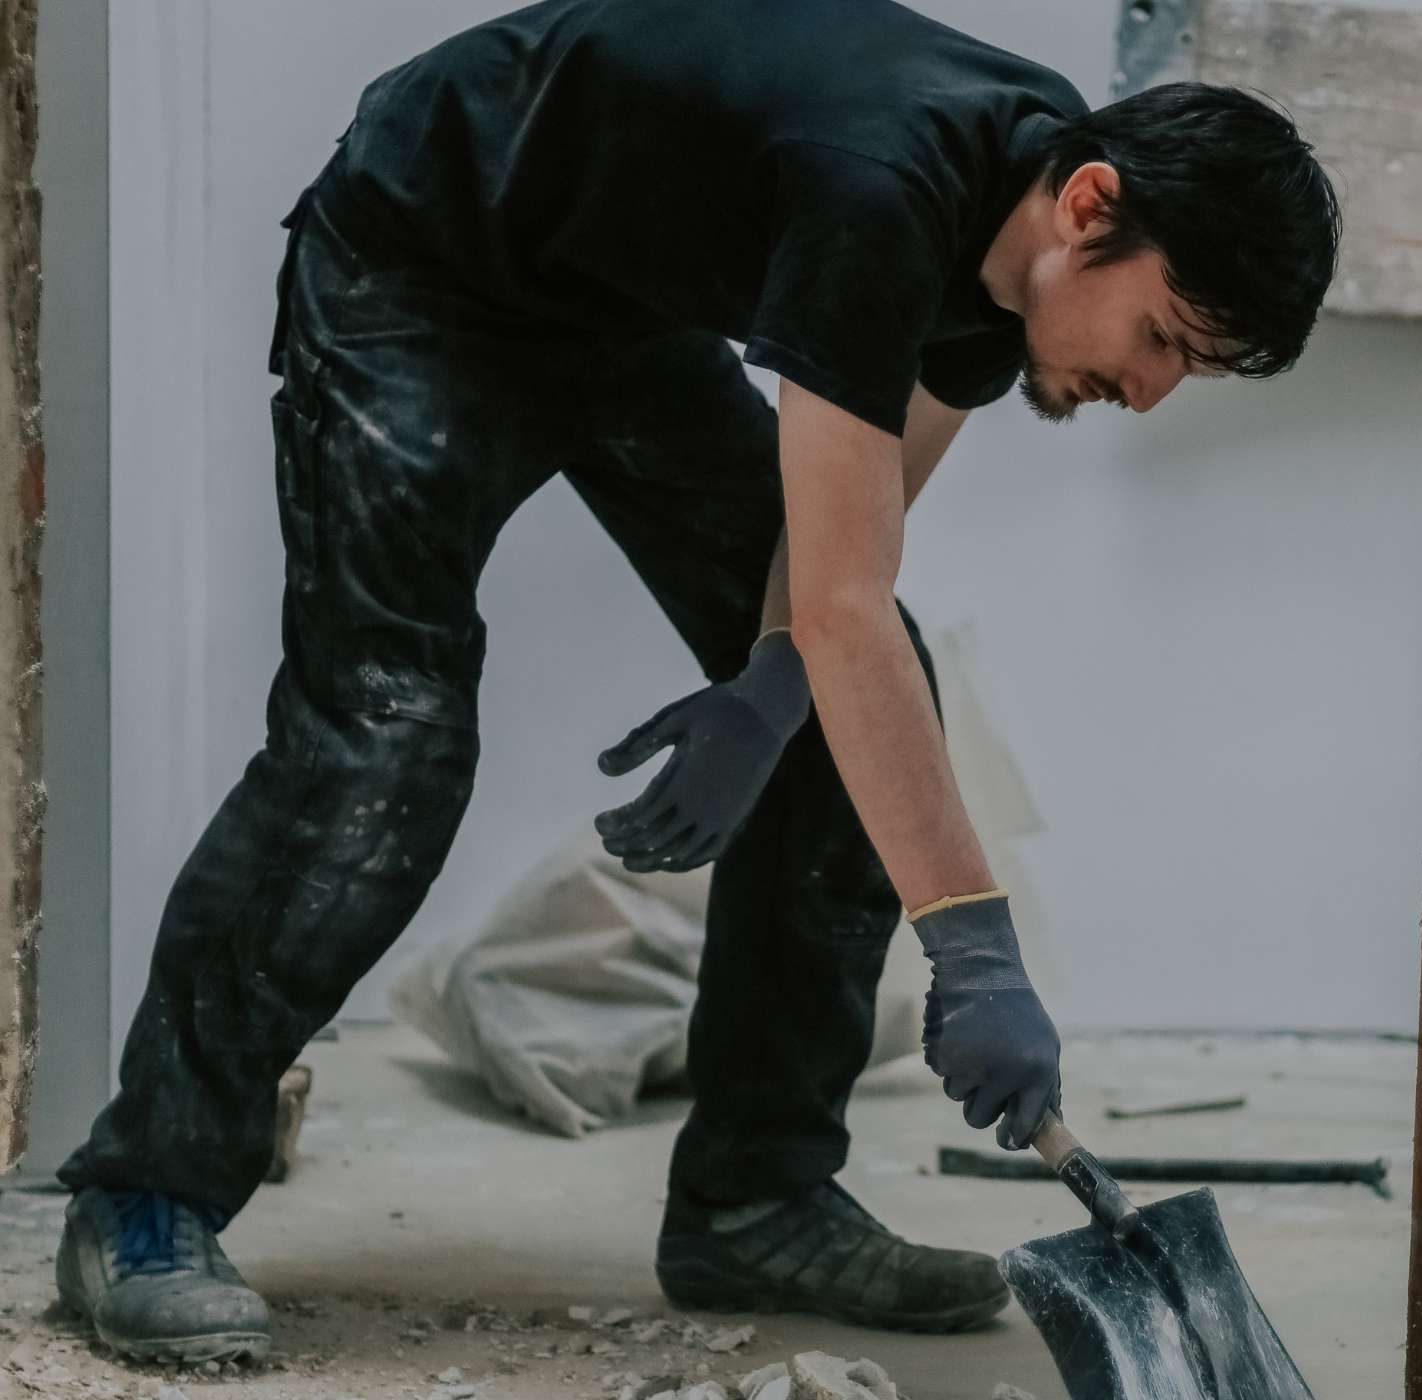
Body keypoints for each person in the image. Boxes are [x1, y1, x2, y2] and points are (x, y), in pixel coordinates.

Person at [52, 0, 1338, 1361]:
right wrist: (974, 948)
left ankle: (754, 1198)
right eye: (1166, 340)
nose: (1149, 392)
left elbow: (847, 568)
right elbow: (845, 606)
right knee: (385, 737)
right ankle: (147, 1190)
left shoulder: (1003, 253)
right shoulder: (887, 185)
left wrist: (773, 691)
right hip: (420, 262)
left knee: (854, 724)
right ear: (1092, 207)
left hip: (616, 306)